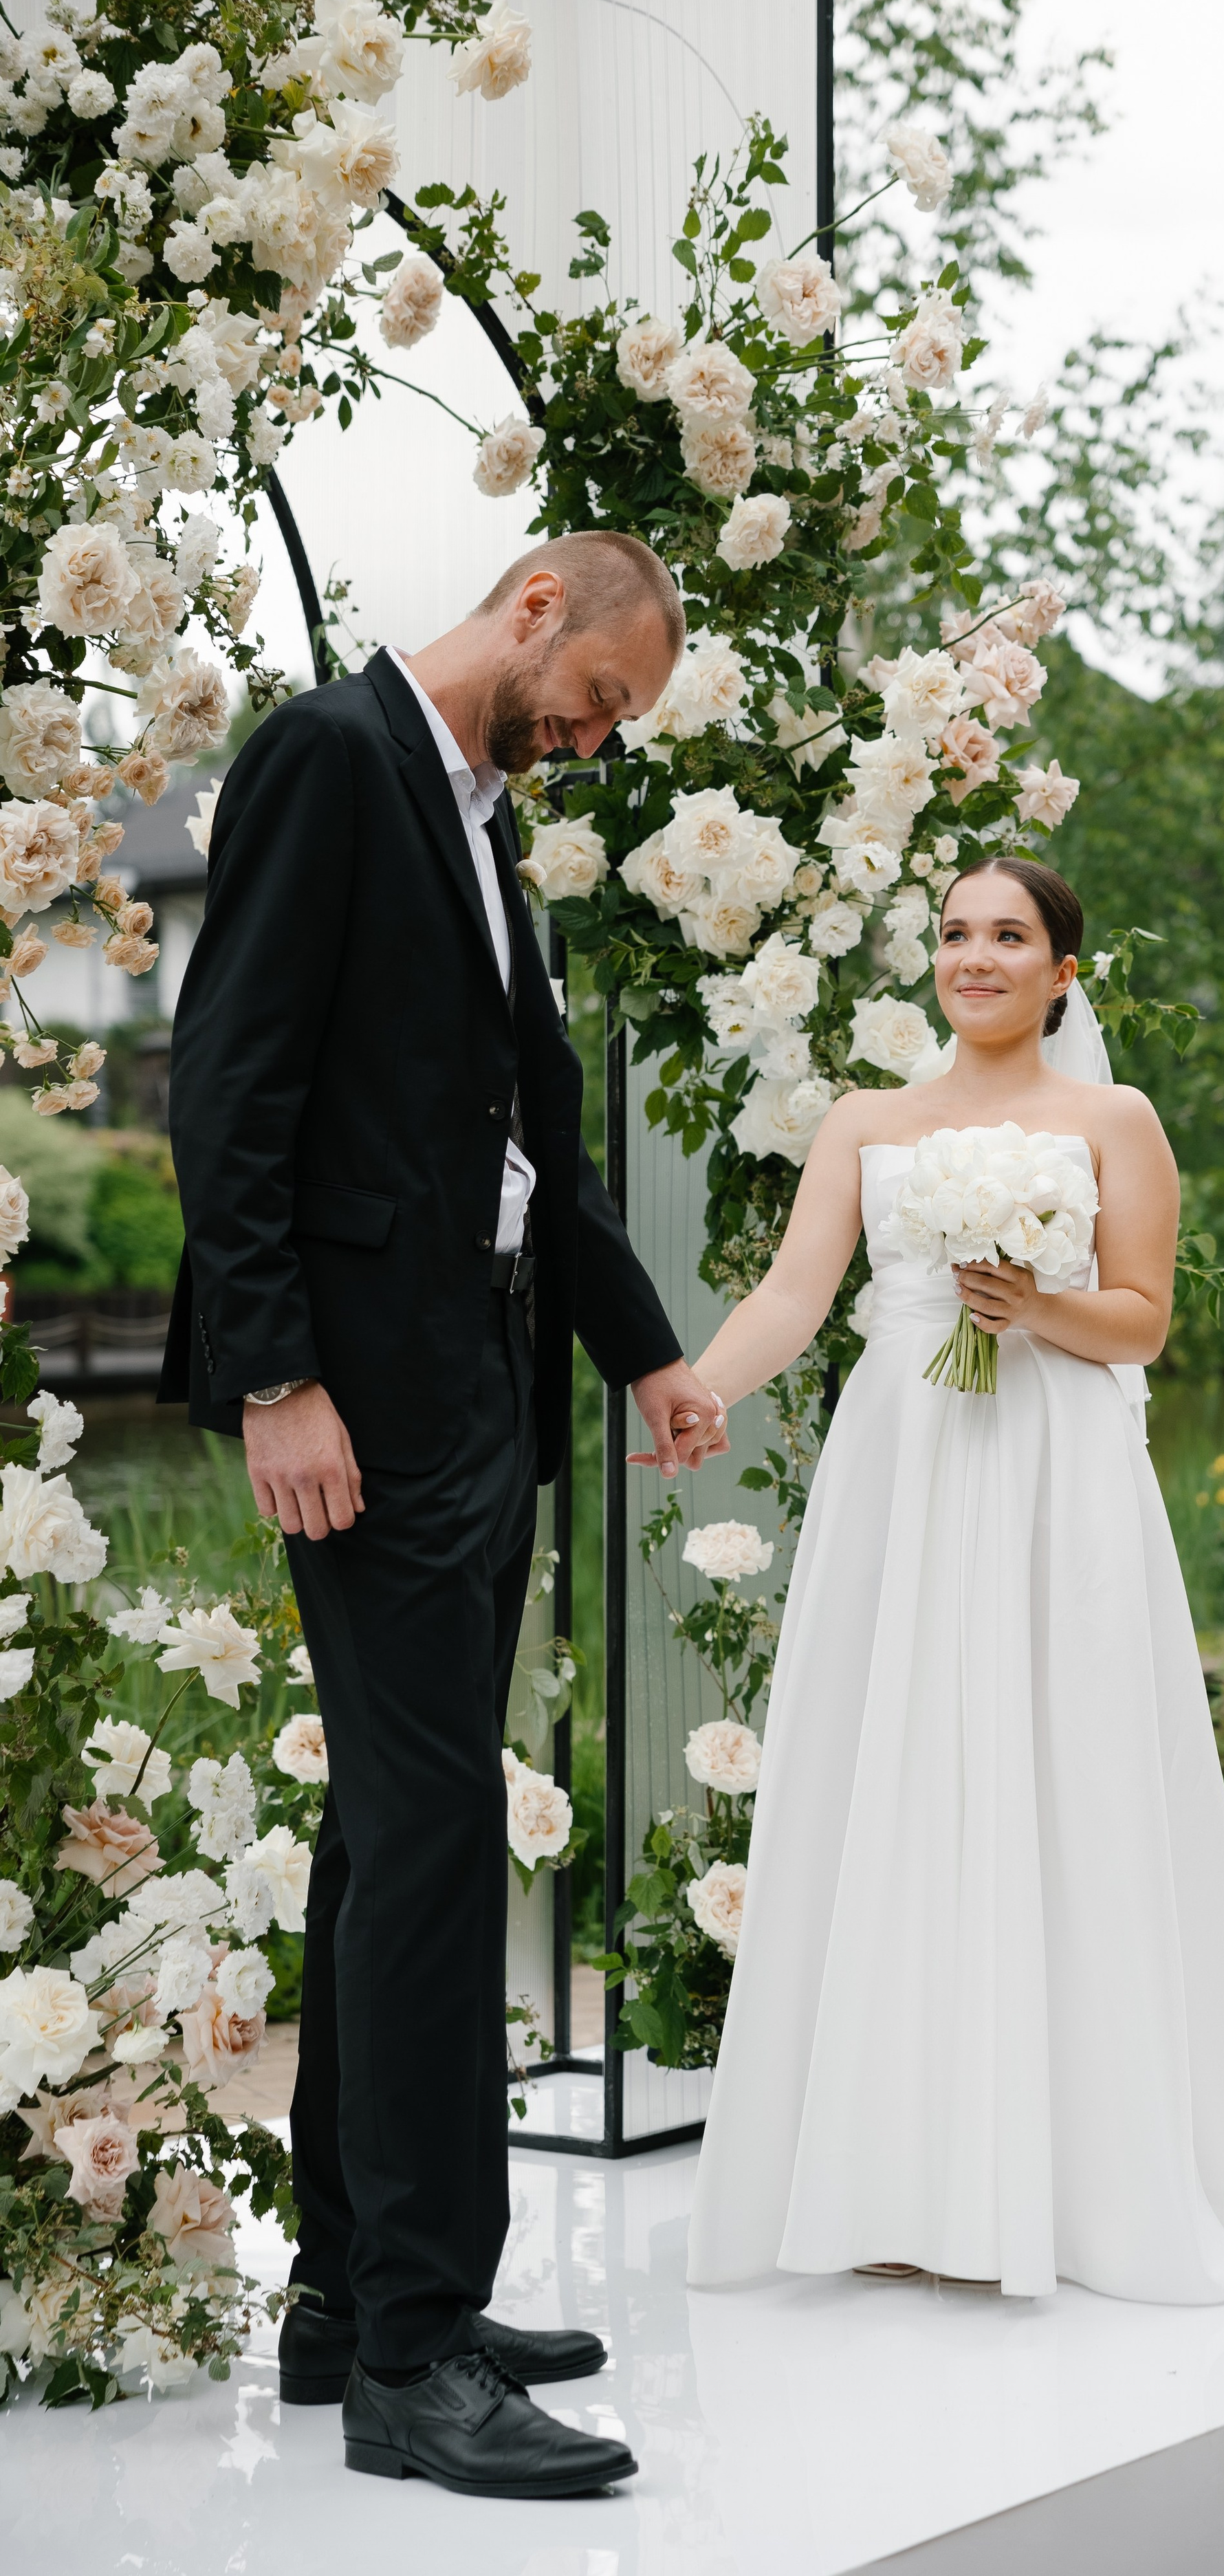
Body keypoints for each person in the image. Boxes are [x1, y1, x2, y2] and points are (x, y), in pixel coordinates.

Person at [684, 857, 1224, 2300]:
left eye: (1009, 936)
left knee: (1061, 1774)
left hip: (1050, 1467)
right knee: (899, 1779)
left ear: (1061, 973)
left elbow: (1142, 1322)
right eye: (956, 934)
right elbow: (795, 1295)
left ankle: (1077, 2173)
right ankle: (893, 2176)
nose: (975, 957)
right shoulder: (866, 1121)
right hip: (902, 1464)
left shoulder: (1114, 1120)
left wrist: (1031, 1304)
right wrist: (694, 1399)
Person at [163, 533, 726, 2498]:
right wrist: (273, 1375)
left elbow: (529, 1122)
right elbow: (227, 1081)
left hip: (486, 1383)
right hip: (364, 1398)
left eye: (620, 733)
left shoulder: (483, 818)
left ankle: (347, 2301)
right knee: (430, 1841)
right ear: (540, 602)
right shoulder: (332, 754)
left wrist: (642, 1348)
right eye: (602, 701)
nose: (594, 741)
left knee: (390, 1838)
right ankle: (418, 2355)